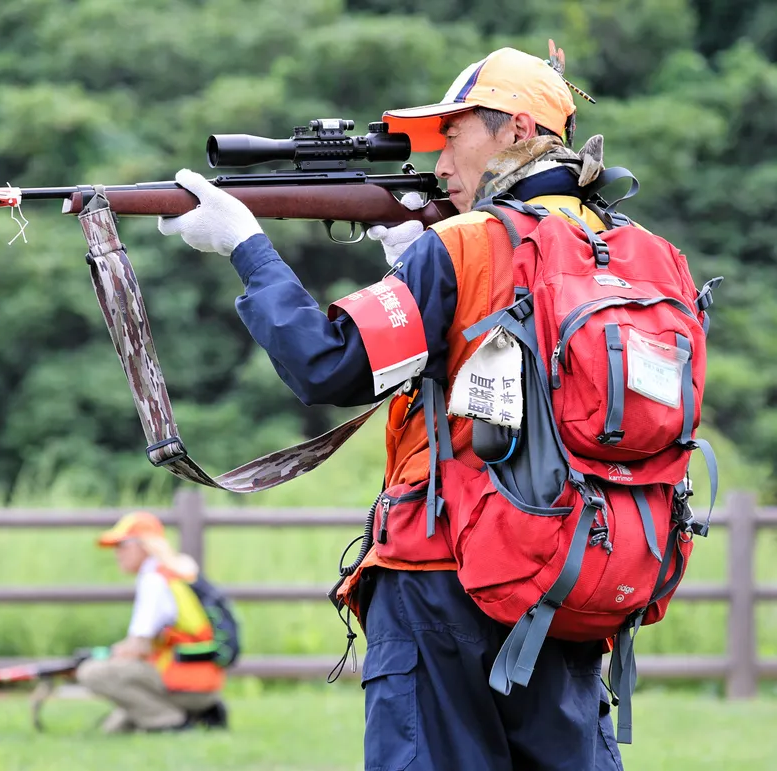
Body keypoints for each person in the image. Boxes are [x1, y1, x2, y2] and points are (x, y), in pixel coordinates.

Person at [156, 42, 632, 770]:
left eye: (454, 134)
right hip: (569, 575)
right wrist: (418, 268)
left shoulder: (466, 243)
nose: (440, 163)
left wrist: (246, 246)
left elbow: (326, 363)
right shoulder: (620, 249)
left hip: (443, 579)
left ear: (515, 131)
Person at [75, 511, 228, 734]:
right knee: (114, 729)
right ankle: (202, 712)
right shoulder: (174, 573)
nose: (117, 553)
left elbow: (139, 647)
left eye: (123, 545)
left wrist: (103, 655)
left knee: (90, 672)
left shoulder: (153, 581)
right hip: (202, 682)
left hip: (184, 683)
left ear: (144, 545)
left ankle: (172, 723)